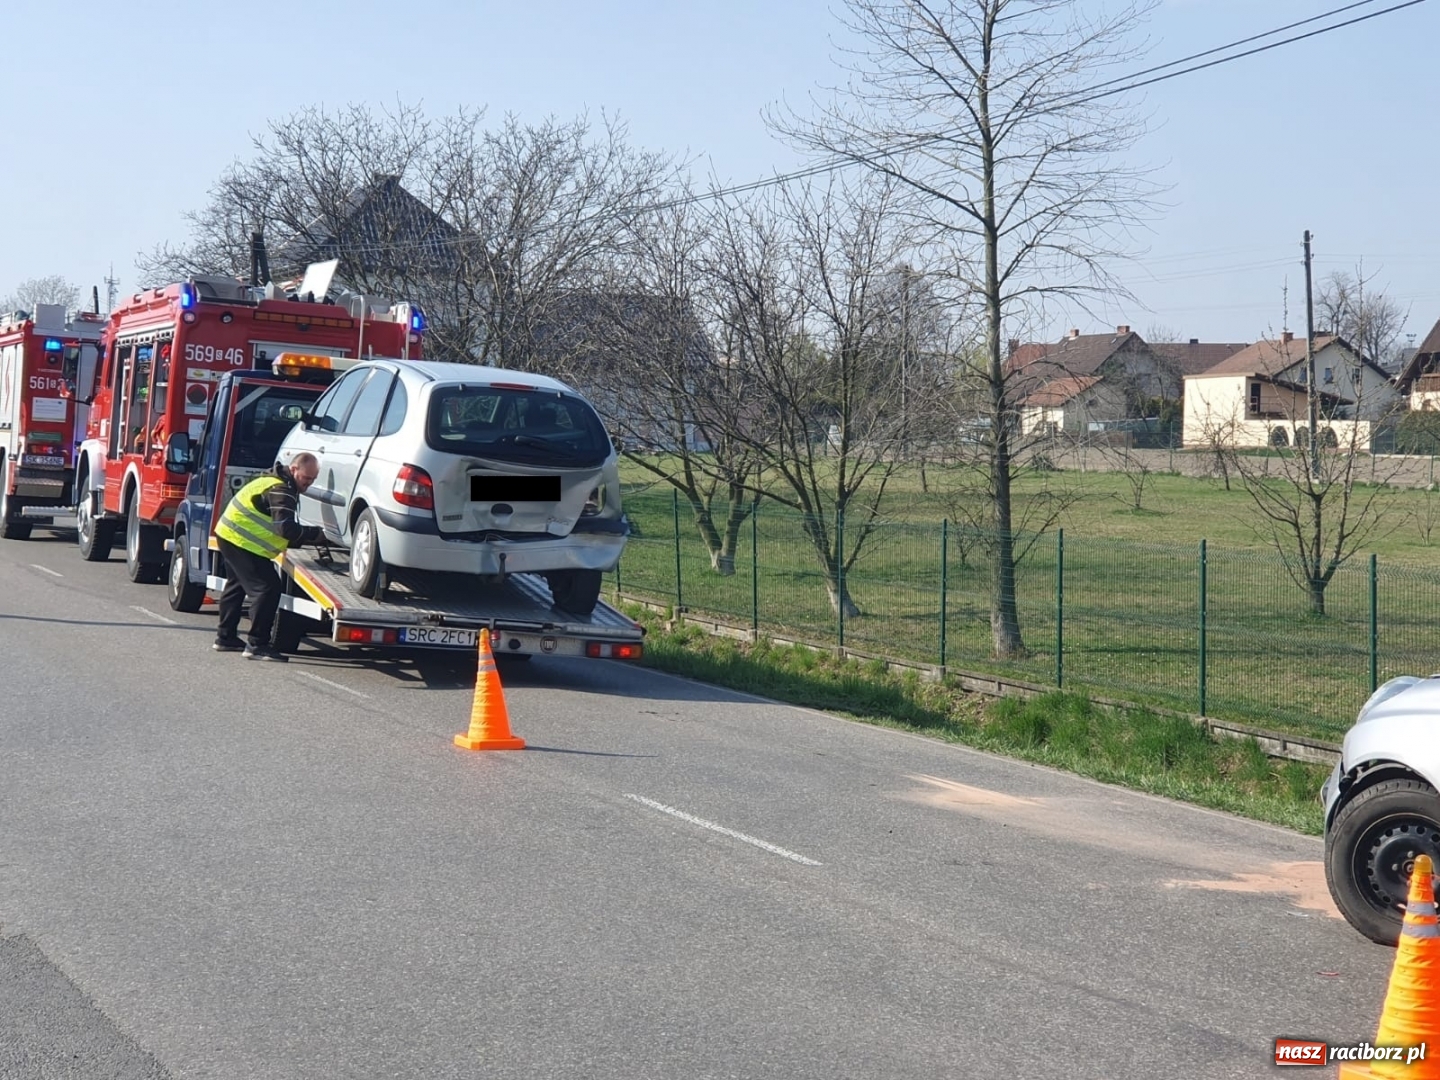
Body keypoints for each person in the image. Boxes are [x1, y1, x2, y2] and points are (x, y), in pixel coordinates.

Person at [212, 452, 323, 660]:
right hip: (241, 540)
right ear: (294, 469)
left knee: (236, 585)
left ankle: (225, 637)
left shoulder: (273, 481)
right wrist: (316, 535)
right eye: (306, 478)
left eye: (313, 480)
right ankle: (257, 644)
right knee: (267, 588)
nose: (308, 483)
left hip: (229, 534)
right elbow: (285, 529)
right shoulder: (282, 489)